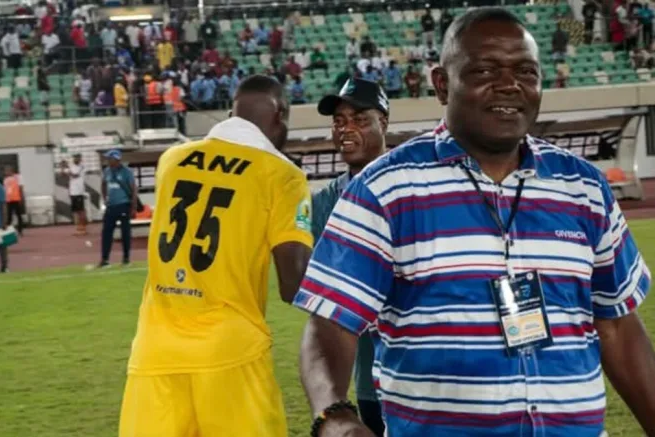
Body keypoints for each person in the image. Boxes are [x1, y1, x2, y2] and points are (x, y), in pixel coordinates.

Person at [294, 8, 655, 437]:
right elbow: (329, 322)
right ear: (442, 84)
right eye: (485, 69)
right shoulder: (384, 189)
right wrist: (334, 416)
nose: (509, 84)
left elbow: (616, 325)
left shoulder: (583, 188)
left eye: (526, 70)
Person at [119, 75, 314, 437]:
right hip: (231, 353)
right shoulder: (282, 175)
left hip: (154, 354)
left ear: (231, 113)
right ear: (281, 113)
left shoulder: (172, 160)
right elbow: (294, 283)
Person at [310, 78, 389, 437]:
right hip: (369, 380)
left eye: (359, 119)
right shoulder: (326, 201)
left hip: (424, 373)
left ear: (383, 123)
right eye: (339, 121)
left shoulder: (413, 183)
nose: (346, 129)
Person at [99, 149, 137, 267]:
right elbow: (103, 184)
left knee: (125, 233)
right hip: (111, 206)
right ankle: (105, 259)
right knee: (106, 232)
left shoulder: (127, 172)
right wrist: (105, 198)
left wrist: (133, 207)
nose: (108, 161)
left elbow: (134, 189)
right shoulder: (107, 171)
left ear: (116, 159)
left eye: (109, 158)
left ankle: (126, 258)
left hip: (124, 205)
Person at [63, 153, 87, 236]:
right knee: (76, 211)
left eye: (77, 158)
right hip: (73, 191)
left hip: (79, 191)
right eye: (74, 158)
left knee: (81, 210)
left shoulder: (81, 166)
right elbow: (63, 174)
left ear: (80, 159)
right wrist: (63, 166)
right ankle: (78, 228)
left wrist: (67, 168)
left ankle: (83, 228)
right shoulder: (71, 166)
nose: (75, 159)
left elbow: (74, 175)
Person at [3, 165, 24, 236]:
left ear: (11, 170)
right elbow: (5, 190)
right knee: (9, 216)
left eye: (7, 170)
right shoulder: (5, 179)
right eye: (5, 171)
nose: (6, 172)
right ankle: (9, 231)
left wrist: (21, 197)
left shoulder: (18, 177)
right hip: (9, 200)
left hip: (16, 199)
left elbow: (21, 187)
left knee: (19, 215)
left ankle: (20, 230)